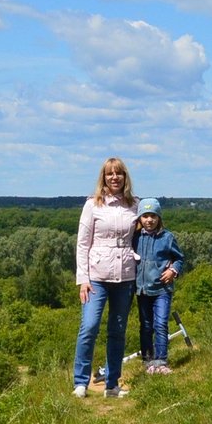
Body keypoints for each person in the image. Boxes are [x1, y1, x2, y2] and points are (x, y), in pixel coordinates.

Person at [73, 157, 139, 398]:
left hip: (125, 276)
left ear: (125, 177)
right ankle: (81, 382)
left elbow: (145, 235)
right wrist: (83, 278)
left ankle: (112, 384)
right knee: (89, 326)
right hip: (96, 277)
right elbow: (82, 244)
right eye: (110, 174)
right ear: (103, 178)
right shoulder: (93, 205)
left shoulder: (134, 205)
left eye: (118, 174)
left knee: (117, 330)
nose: (114, 178)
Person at [133, 198, 184, 374]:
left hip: (162, 289)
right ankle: (148, 361)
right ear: (140, 218)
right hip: (142, 289)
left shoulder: (167, 237)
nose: (149, 220)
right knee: (146, 325)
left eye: (153, 216)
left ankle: (161, 361)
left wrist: (173, 271)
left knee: (160, 324)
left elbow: (179, 258)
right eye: (145, 216)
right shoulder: (135, 237)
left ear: (159, 217)